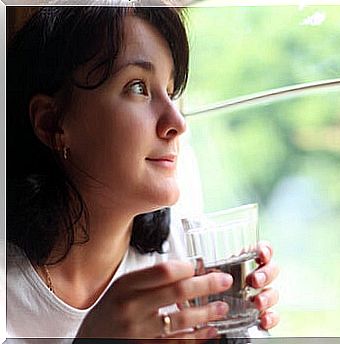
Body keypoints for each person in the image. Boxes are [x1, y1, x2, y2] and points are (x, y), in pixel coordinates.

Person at [6, 4, 279, 340]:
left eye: (171, 92)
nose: (177, 123)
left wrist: (232, 335)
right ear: (52, 122)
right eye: (138, 87)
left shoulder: (185, 253)